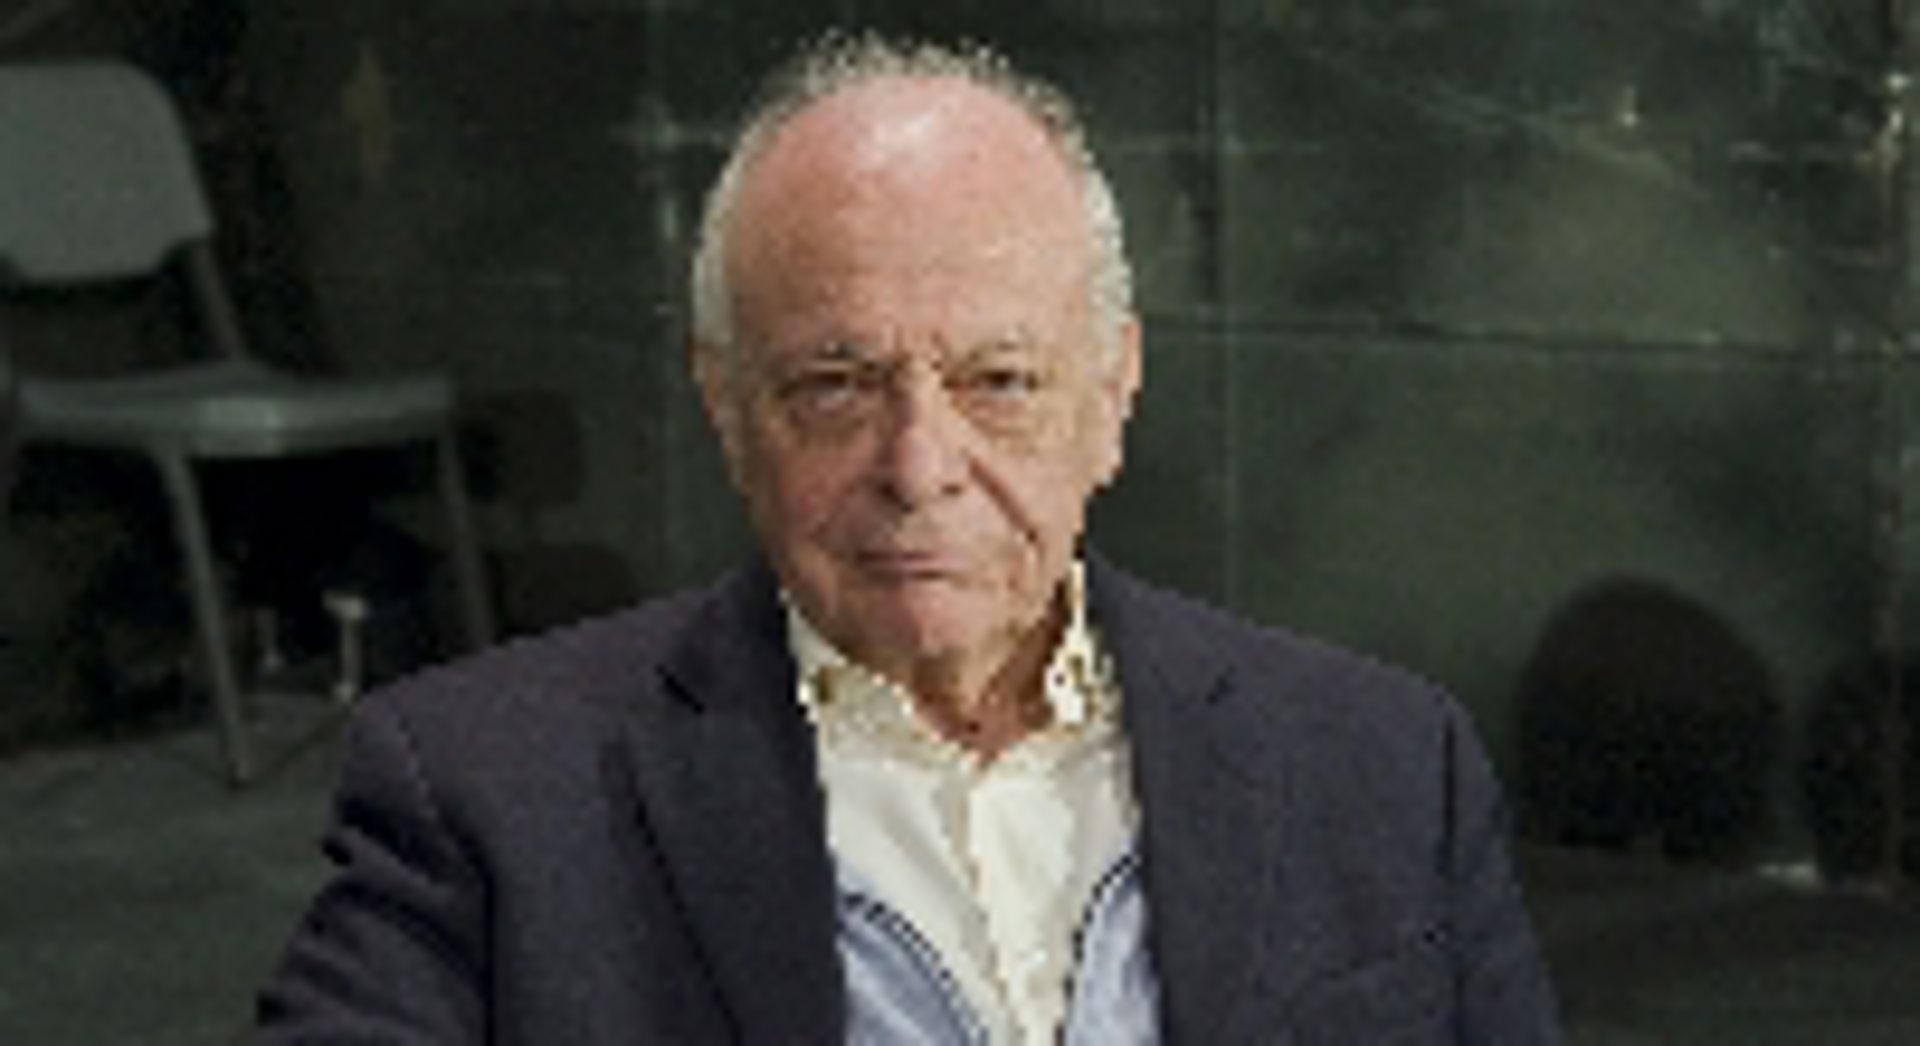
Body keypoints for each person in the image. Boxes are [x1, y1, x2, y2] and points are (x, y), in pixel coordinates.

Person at [254, 33, 1561, 1044]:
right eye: (836, 384)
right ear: (727, 408)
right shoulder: (480, 796)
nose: (919, 466)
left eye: (1000, 380)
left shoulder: (1388, 765)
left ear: (1113, 396)